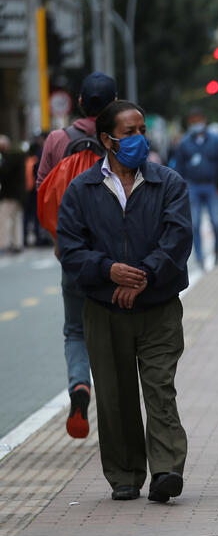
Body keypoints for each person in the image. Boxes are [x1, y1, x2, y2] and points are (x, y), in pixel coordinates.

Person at [56, 100, 193, 502]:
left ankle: (166, 469)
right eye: (129, 132)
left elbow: (178, 238)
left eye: (142, 130)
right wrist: (108, 270)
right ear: (106, 139)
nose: (138, 139)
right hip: (104, 309)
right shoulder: (82, 190)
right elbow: (70, 248)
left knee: (159, 388)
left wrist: (144, 276)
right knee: (115, 397)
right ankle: (125, 474)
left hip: (159, 307)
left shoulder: (168, 182)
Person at [34, 71, 118, 438]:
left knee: (74, 330)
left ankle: (79, 386)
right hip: (114, 255)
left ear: (80, 102)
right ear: (114, 103)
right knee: (115, 330)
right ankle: (116, 406)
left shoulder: (57, 139)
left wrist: (58, 237)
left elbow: (43, 192)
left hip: (71, 253)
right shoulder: (120, 136)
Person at [171, 109, 218, 269]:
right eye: (192, 121)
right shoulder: (184, 142)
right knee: (194, 224)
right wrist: (180, 187)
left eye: (198, 120)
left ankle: (216, 251)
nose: (196, 124)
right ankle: (200, 257)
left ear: (204, 120)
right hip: (192, 186)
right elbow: (179, 167)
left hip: (212, 185)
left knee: (216, 222)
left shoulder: (216, 140)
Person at [0, 135, 26, 254]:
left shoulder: (7, 159)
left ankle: (4, 244)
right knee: (17, 219)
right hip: (19, 195)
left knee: (4, 219)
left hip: (8, 194)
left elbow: (4, 174)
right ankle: (17, 244)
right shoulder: (20, 158)